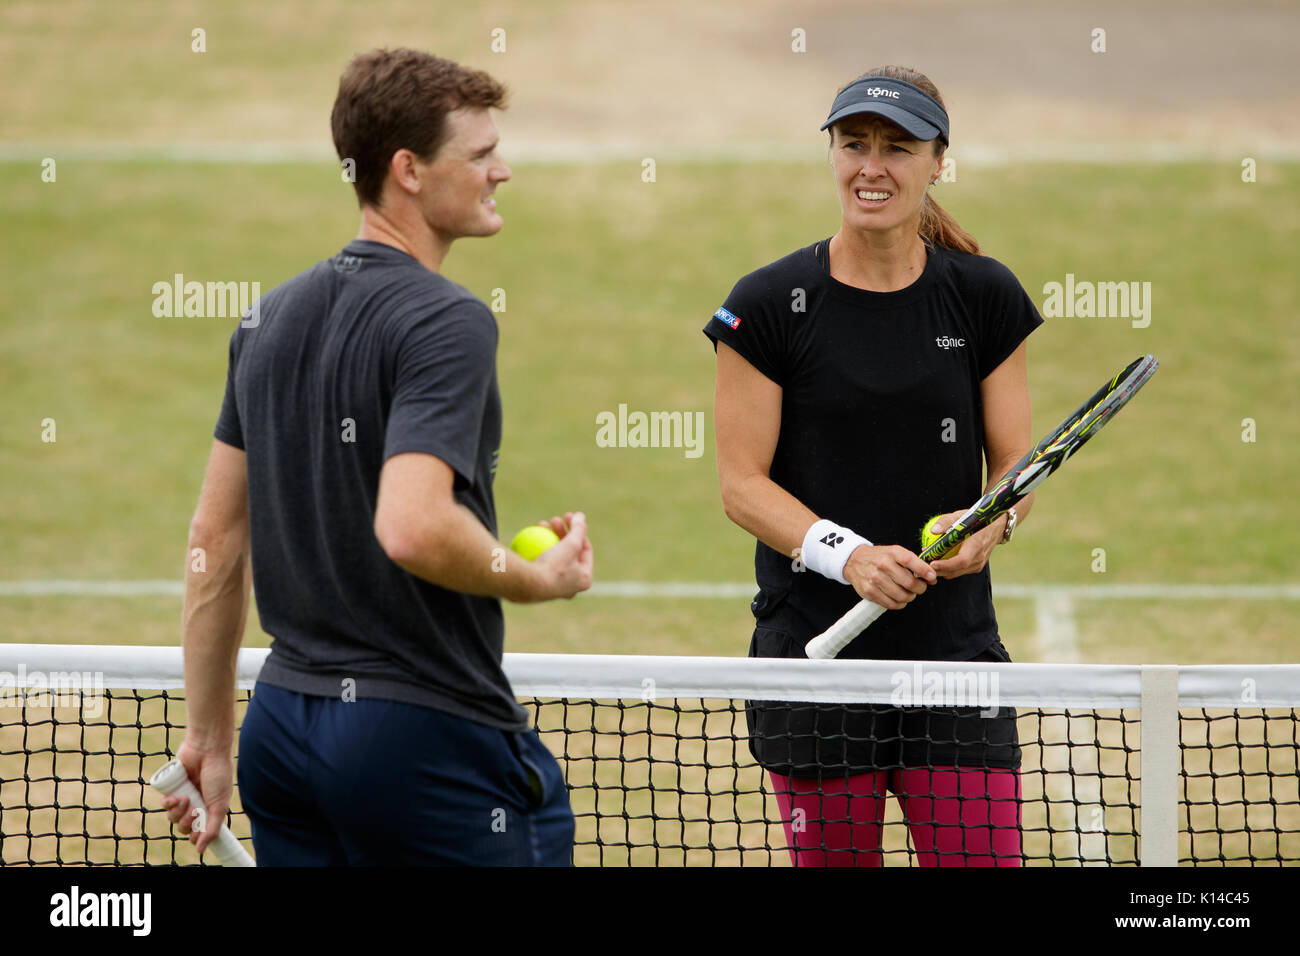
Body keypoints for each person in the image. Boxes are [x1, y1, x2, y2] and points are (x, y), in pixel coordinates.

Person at [162, 48, 593, 866]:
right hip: (419, 737)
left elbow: (212, 545)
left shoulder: (268, 319)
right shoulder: (448, 321)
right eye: (479, 155)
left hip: (285, 731)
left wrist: (211, 740)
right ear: (409, 170)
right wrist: (537, 577)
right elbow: (413, 526)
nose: (503, 170)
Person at [704, 66, 1041, 866]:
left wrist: (988, 527)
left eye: (899, 148)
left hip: (953, 657)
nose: (872, 167)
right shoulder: (766, 304)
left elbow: (1019, 467)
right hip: (815, 656)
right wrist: (848, 556)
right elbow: (741, 486)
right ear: (832, 153)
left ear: (938, 161)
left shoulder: (985, 296)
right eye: (854, 144)